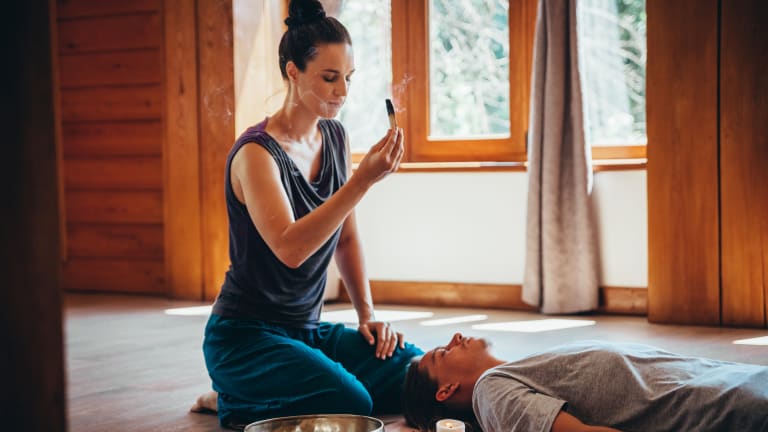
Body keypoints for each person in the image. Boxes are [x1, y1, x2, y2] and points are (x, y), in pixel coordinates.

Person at [189, 0, 422, 428]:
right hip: (246, 337)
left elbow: (345, 238)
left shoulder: (334, 136)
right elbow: (290, 248)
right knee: (351, 398)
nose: (343, 91)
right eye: (330, 78)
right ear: (293, 72)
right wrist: (362, 182)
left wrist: (367, 316)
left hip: (308, 332)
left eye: (349, 78)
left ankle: (274, 387)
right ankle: (234, 394)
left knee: (413, 368)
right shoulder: (257, 154)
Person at [403, 333, 768, 432]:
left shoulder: (521, 373)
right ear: (446, 390)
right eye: (442, 353)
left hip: (735, 379)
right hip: (731, 404)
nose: (455, 337)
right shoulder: (491, 391)